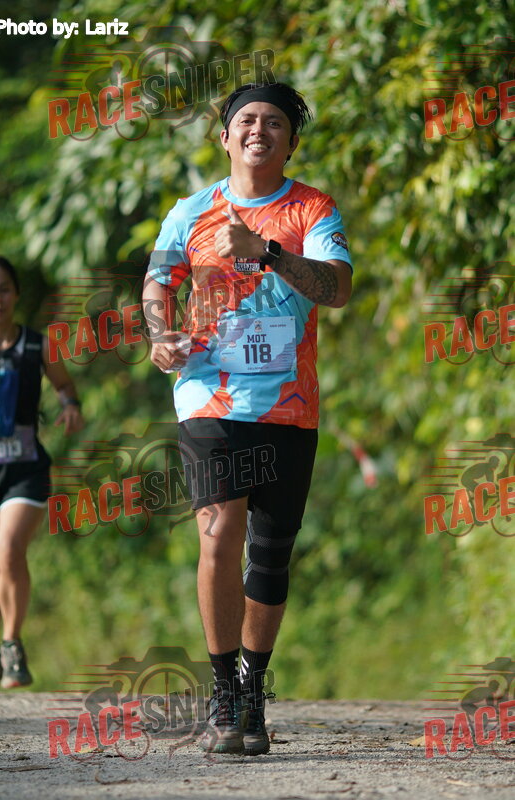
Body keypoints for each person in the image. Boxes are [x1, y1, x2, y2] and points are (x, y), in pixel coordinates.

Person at [142, 82, 353, 755]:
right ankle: (222, 694)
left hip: (288, 405)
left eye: (275, 123)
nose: (259, 130)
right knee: (219, 533)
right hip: (208, 395)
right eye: (247, 120)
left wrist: (267, 251)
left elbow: (337, 288)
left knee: (270, 552)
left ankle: (253, 688)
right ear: (225, 136)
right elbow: (158, 282)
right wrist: (160, 334)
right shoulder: (190, 211)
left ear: (291, 142)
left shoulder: (313, 209)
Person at [0, 255, 84, 696]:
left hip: (25, 470)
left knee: (8, 549)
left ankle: (12, 642)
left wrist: (70, 406)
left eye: (3, 289)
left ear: (16, 294)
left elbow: (64, 385)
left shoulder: (37, 346)